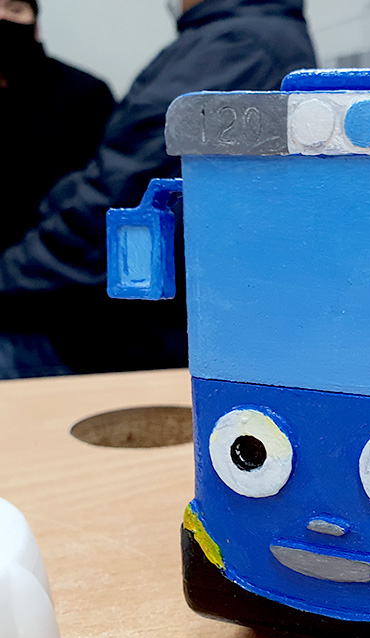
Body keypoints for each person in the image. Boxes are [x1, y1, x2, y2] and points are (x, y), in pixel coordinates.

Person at [0, 0, 316, 379]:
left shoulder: (237, 46)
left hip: (114, 324)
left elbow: (125, 193)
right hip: (111, 304)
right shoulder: (233, 38)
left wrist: (9, 274)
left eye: (14, 8)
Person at [0, 0, 115, 255]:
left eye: (15, 9)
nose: (2, 17)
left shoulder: (87, 94)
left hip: (57, 258)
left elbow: (106, 189)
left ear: (36, 27)